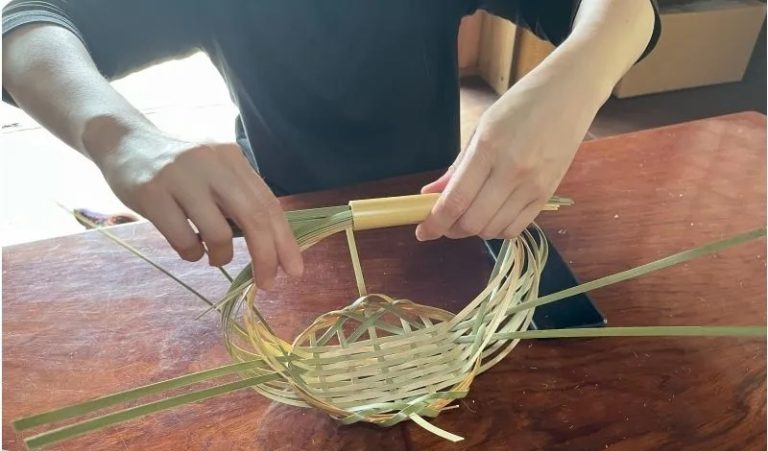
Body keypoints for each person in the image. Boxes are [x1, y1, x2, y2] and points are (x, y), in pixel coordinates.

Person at [2, 1, 659, 289]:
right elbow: (23, 27)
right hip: (284, 224)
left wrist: (576, 79)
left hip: (438, 217)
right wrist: (120, 137)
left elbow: (627, 10)